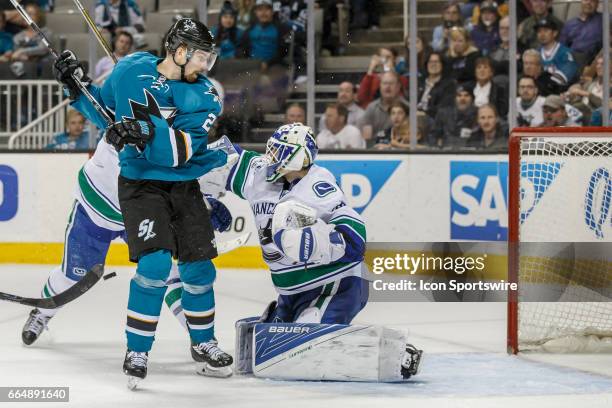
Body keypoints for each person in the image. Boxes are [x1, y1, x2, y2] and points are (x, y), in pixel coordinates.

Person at [52, 18, 233, 387]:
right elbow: (102, 112)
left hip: (182, 185)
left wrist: (144, 129)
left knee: (199, 270)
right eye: (201, 57)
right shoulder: (132, 68)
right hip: (140, 186)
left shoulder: (205, 95)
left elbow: (180, 153)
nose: (205, 66)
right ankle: (137, 350)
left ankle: (205, 343)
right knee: (154, 264)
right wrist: (76, 87)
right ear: (178, 51)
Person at [358, 71, 408, 146]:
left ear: (398, 86)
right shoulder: (371, 108)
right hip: (376, 150)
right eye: (385, 83)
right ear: (380, 86)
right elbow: (367, 139)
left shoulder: (408, 108)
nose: (387, 87)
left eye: (391, 83)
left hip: (402, 151)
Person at [238, 0, 291, 70]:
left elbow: (285, 52)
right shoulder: (249, 31)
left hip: (275, 68)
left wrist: (269, 63)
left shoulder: (282, 30)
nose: (263, 13)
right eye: (260, 10)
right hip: (252, 68)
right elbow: (241, 49)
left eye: (267, 9)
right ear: (255, 12)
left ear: (272, 12)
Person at [430, 83, 478, 148]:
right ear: (455, 98)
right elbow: (433, 135)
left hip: (470, 152)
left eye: (466, 95)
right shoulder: (443, 113)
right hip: (446, 152)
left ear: (472, 99)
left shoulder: (478, 114)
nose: (462, 98)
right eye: (459, 95)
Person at [535, 16, 577, 88]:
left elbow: (565, 77)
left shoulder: (565, 53)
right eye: (539, 31)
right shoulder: (535, 53)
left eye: (545, 30)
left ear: (555, 33)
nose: (542, 34)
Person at [559, 0, 602, 66]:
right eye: (586, 0)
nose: (588, 2)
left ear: (597, 4)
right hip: (570, 62)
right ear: (581, 1)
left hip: (592, 63)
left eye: (593, 0)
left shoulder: (605, 19)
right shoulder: (569, 24)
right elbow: (561, 48)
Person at [417, 52, 455, 120]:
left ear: (442, 64)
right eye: (430, 62)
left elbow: (443, 109)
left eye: (436, 62)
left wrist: (424, 113)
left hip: (433, 119)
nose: (433, 64)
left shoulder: (449, 84)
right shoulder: (419, 82)